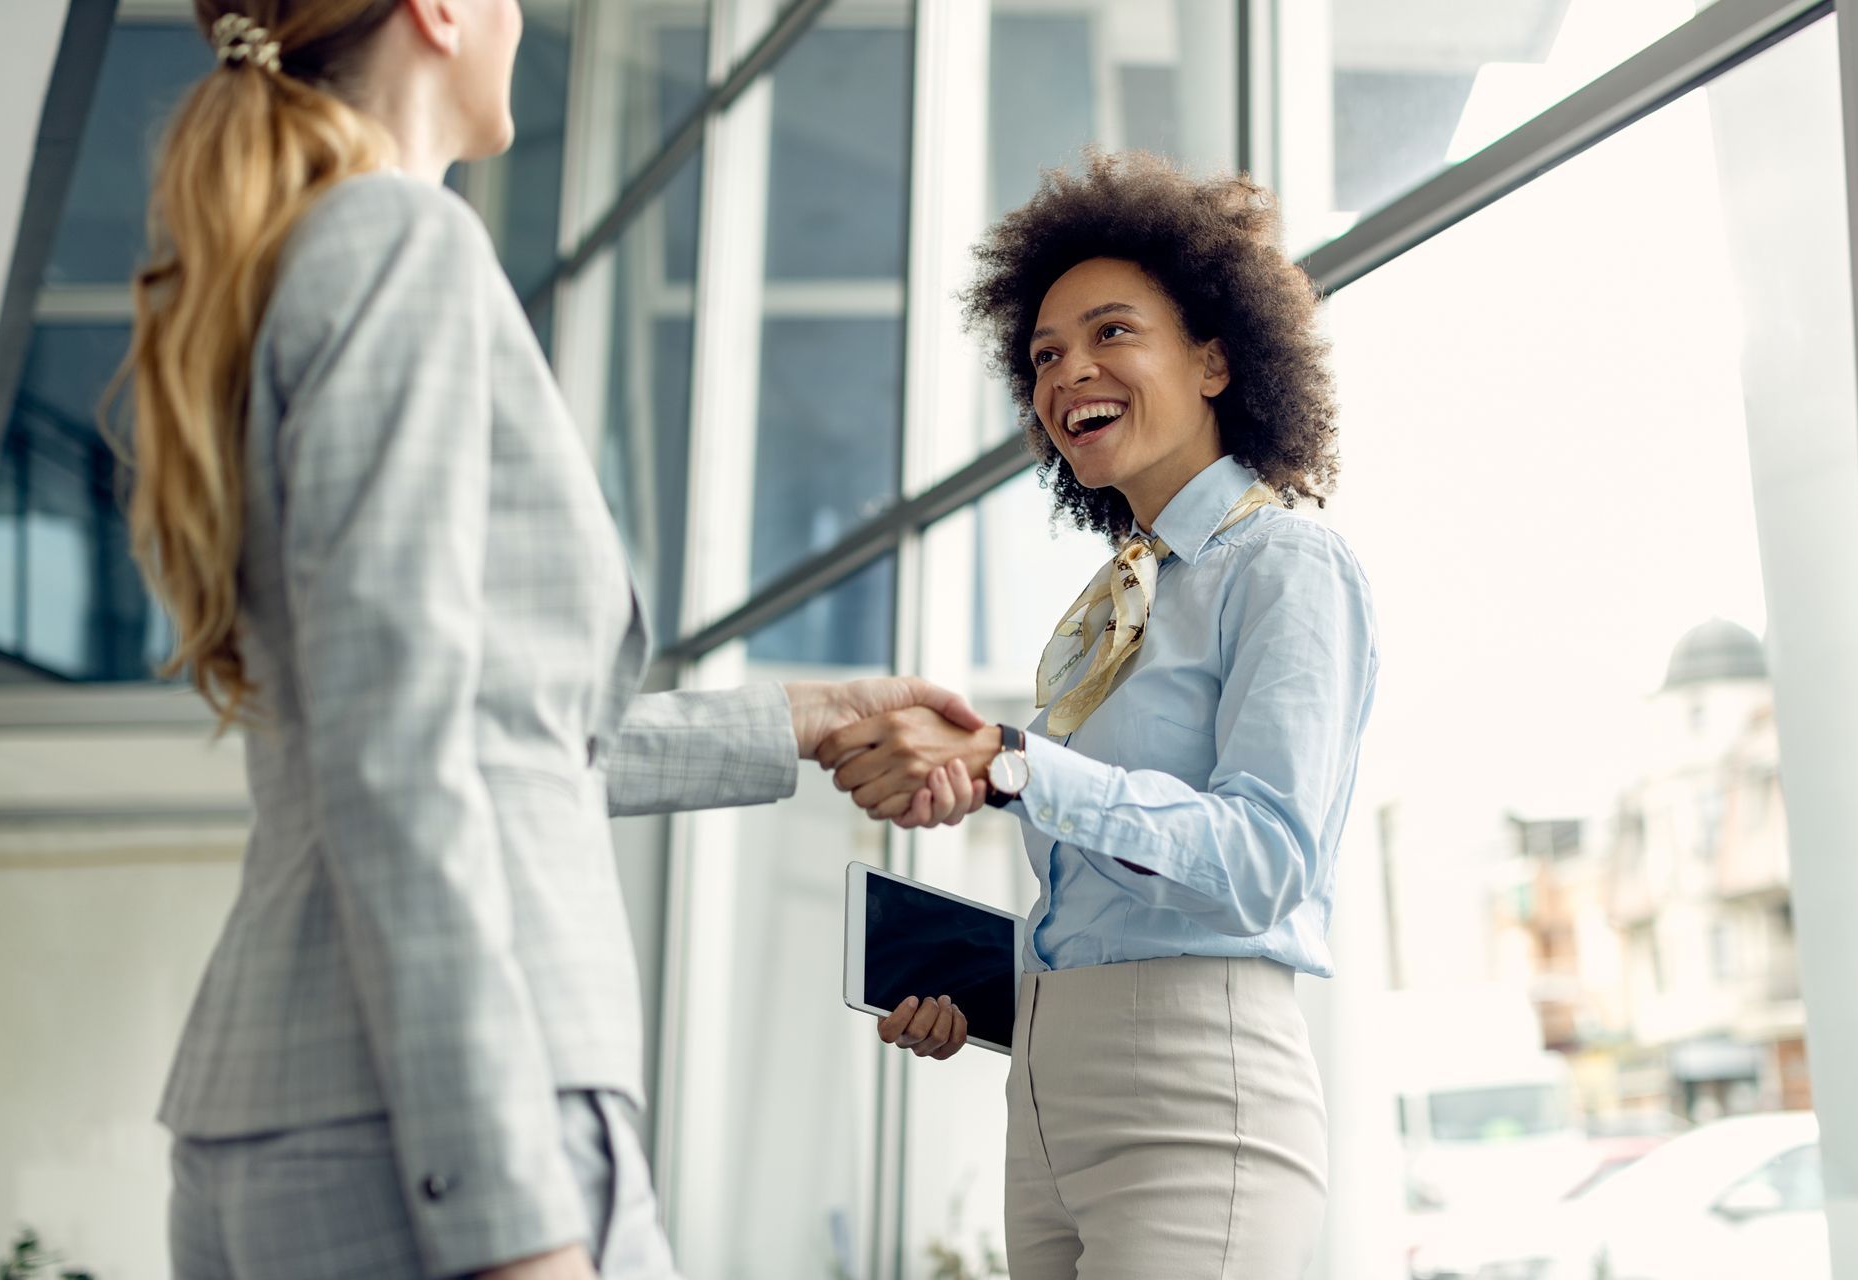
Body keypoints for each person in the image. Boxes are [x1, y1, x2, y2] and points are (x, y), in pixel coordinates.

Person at [119, 4, 982, 1278]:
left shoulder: (293, 259)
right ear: (441, 13)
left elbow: (482, 729)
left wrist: (801, 718)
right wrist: (512, 1219)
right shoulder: (397, 240)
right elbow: (401, 757)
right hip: (441, 1116)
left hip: (301, 1106)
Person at [815, 152, 1380, 1279]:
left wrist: (1015, 766)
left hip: (1195, 1102)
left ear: (1216, 357)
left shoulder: (1287, 566)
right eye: (1044, 353)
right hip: (1048, 1093)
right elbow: (1110, 894)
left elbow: (1267, 858)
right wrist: (985, 994)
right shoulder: (1106, 606)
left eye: (1113, 332)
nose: (1070, 369)